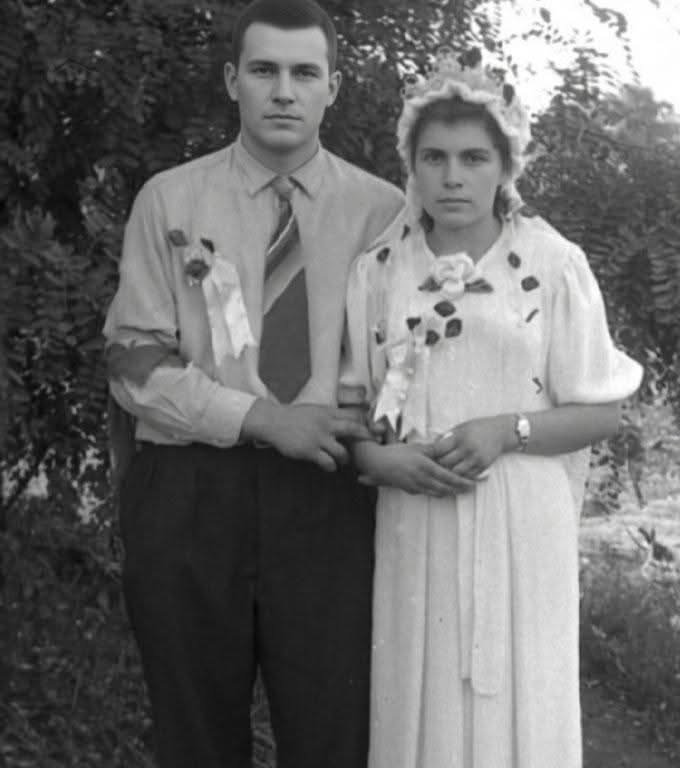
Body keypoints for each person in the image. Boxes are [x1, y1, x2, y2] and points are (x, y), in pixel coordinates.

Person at [103, 1, 405, 766]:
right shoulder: (170, 200)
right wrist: (262, 418)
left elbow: (408, 364)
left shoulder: (387, 214)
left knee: (335, 739)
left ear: (334, 87)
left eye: (305, 73)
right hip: (191, 492)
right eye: (264, 70)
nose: (284, 91)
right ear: (232, 80)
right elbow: (132, 362)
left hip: (331, 496)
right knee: (196, 739)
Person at [340, 48, 643, 768]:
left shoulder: (554, 264)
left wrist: (508, 430)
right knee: (422, 699)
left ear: (505, 167)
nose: (453, 176)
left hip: (521, 519)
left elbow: (602, 412)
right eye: (435, 158)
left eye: (473, 158)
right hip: (417, 514)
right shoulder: (379, 269)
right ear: (411, 167)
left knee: (522, 704)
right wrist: (378, 460)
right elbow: (355, 409)